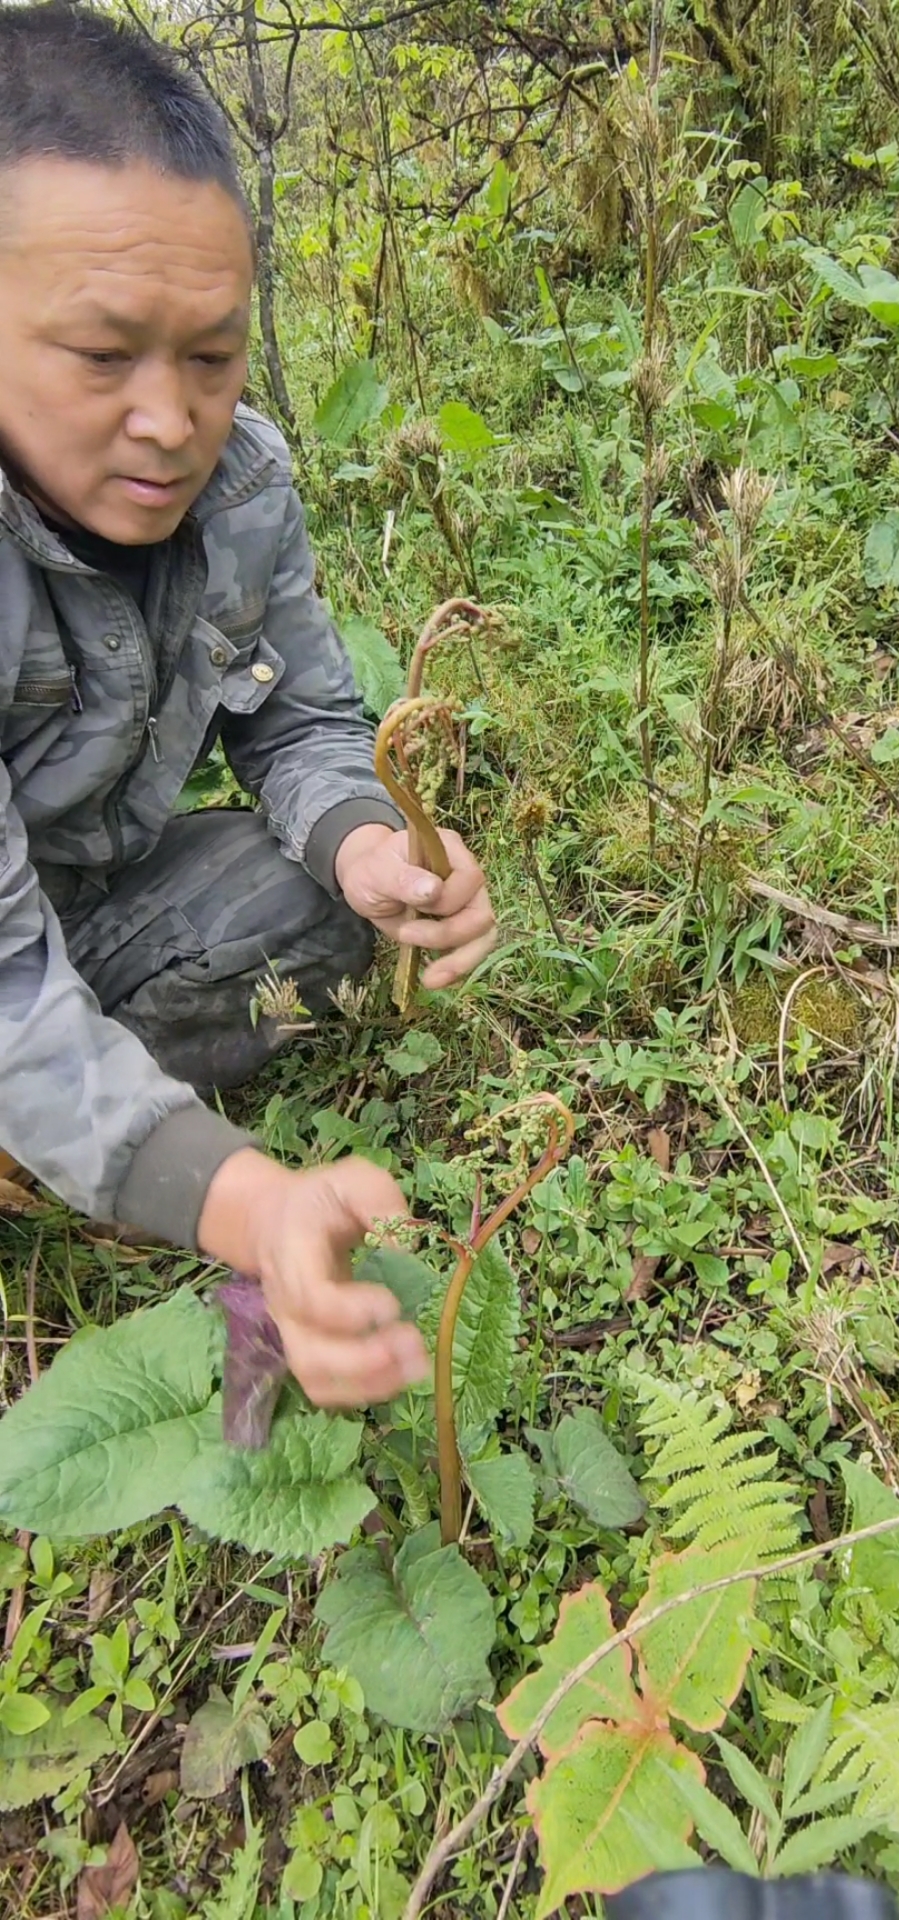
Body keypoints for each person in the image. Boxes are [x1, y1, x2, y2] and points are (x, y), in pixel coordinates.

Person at [0, 3, 497, 1412]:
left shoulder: (244, 485)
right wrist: (248, 1203)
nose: (170, 419)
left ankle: (65, 1115)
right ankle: (74, 1118)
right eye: (102, 356)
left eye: (212, 357)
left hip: (78, 894)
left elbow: (297, 722)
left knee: (331, 911)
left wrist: (370, 848)